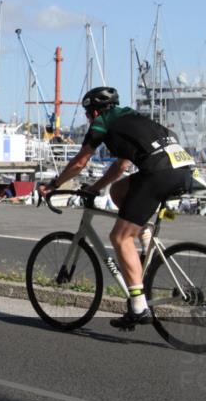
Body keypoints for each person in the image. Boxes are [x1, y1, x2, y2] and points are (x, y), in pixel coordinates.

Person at [37, 87, 196, 330]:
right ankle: (144, 236)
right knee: (118, 191)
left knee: (119, 237)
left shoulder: (102, 122)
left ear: (95, 110)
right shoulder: (130, 118)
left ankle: (139, 307)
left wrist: (53, 185)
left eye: (89, 114)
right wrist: (96, 187)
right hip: (183, 171)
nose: (90, 119)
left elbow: (81, 161)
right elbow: (121, 167)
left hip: (159, 173)